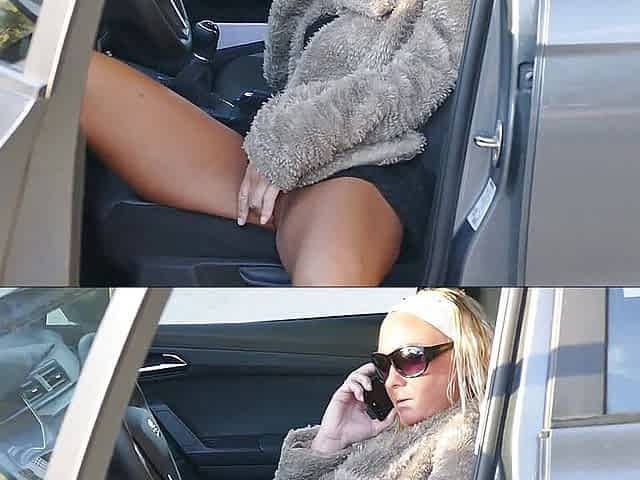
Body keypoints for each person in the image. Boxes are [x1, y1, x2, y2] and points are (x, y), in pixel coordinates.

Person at [80, 0, 471, 285]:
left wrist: (289, 141)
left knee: (328, 281)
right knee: (76, 76)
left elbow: (422, 78)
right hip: (277, 127)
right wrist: (276, 129)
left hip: (366, 159)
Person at [273, 288, 493, 479]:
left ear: (465, 358)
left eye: (410, 359)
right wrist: (330, 440)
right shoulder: (385, 435)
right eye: (384, 365)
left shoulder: (462, 438)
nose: (391, 382)